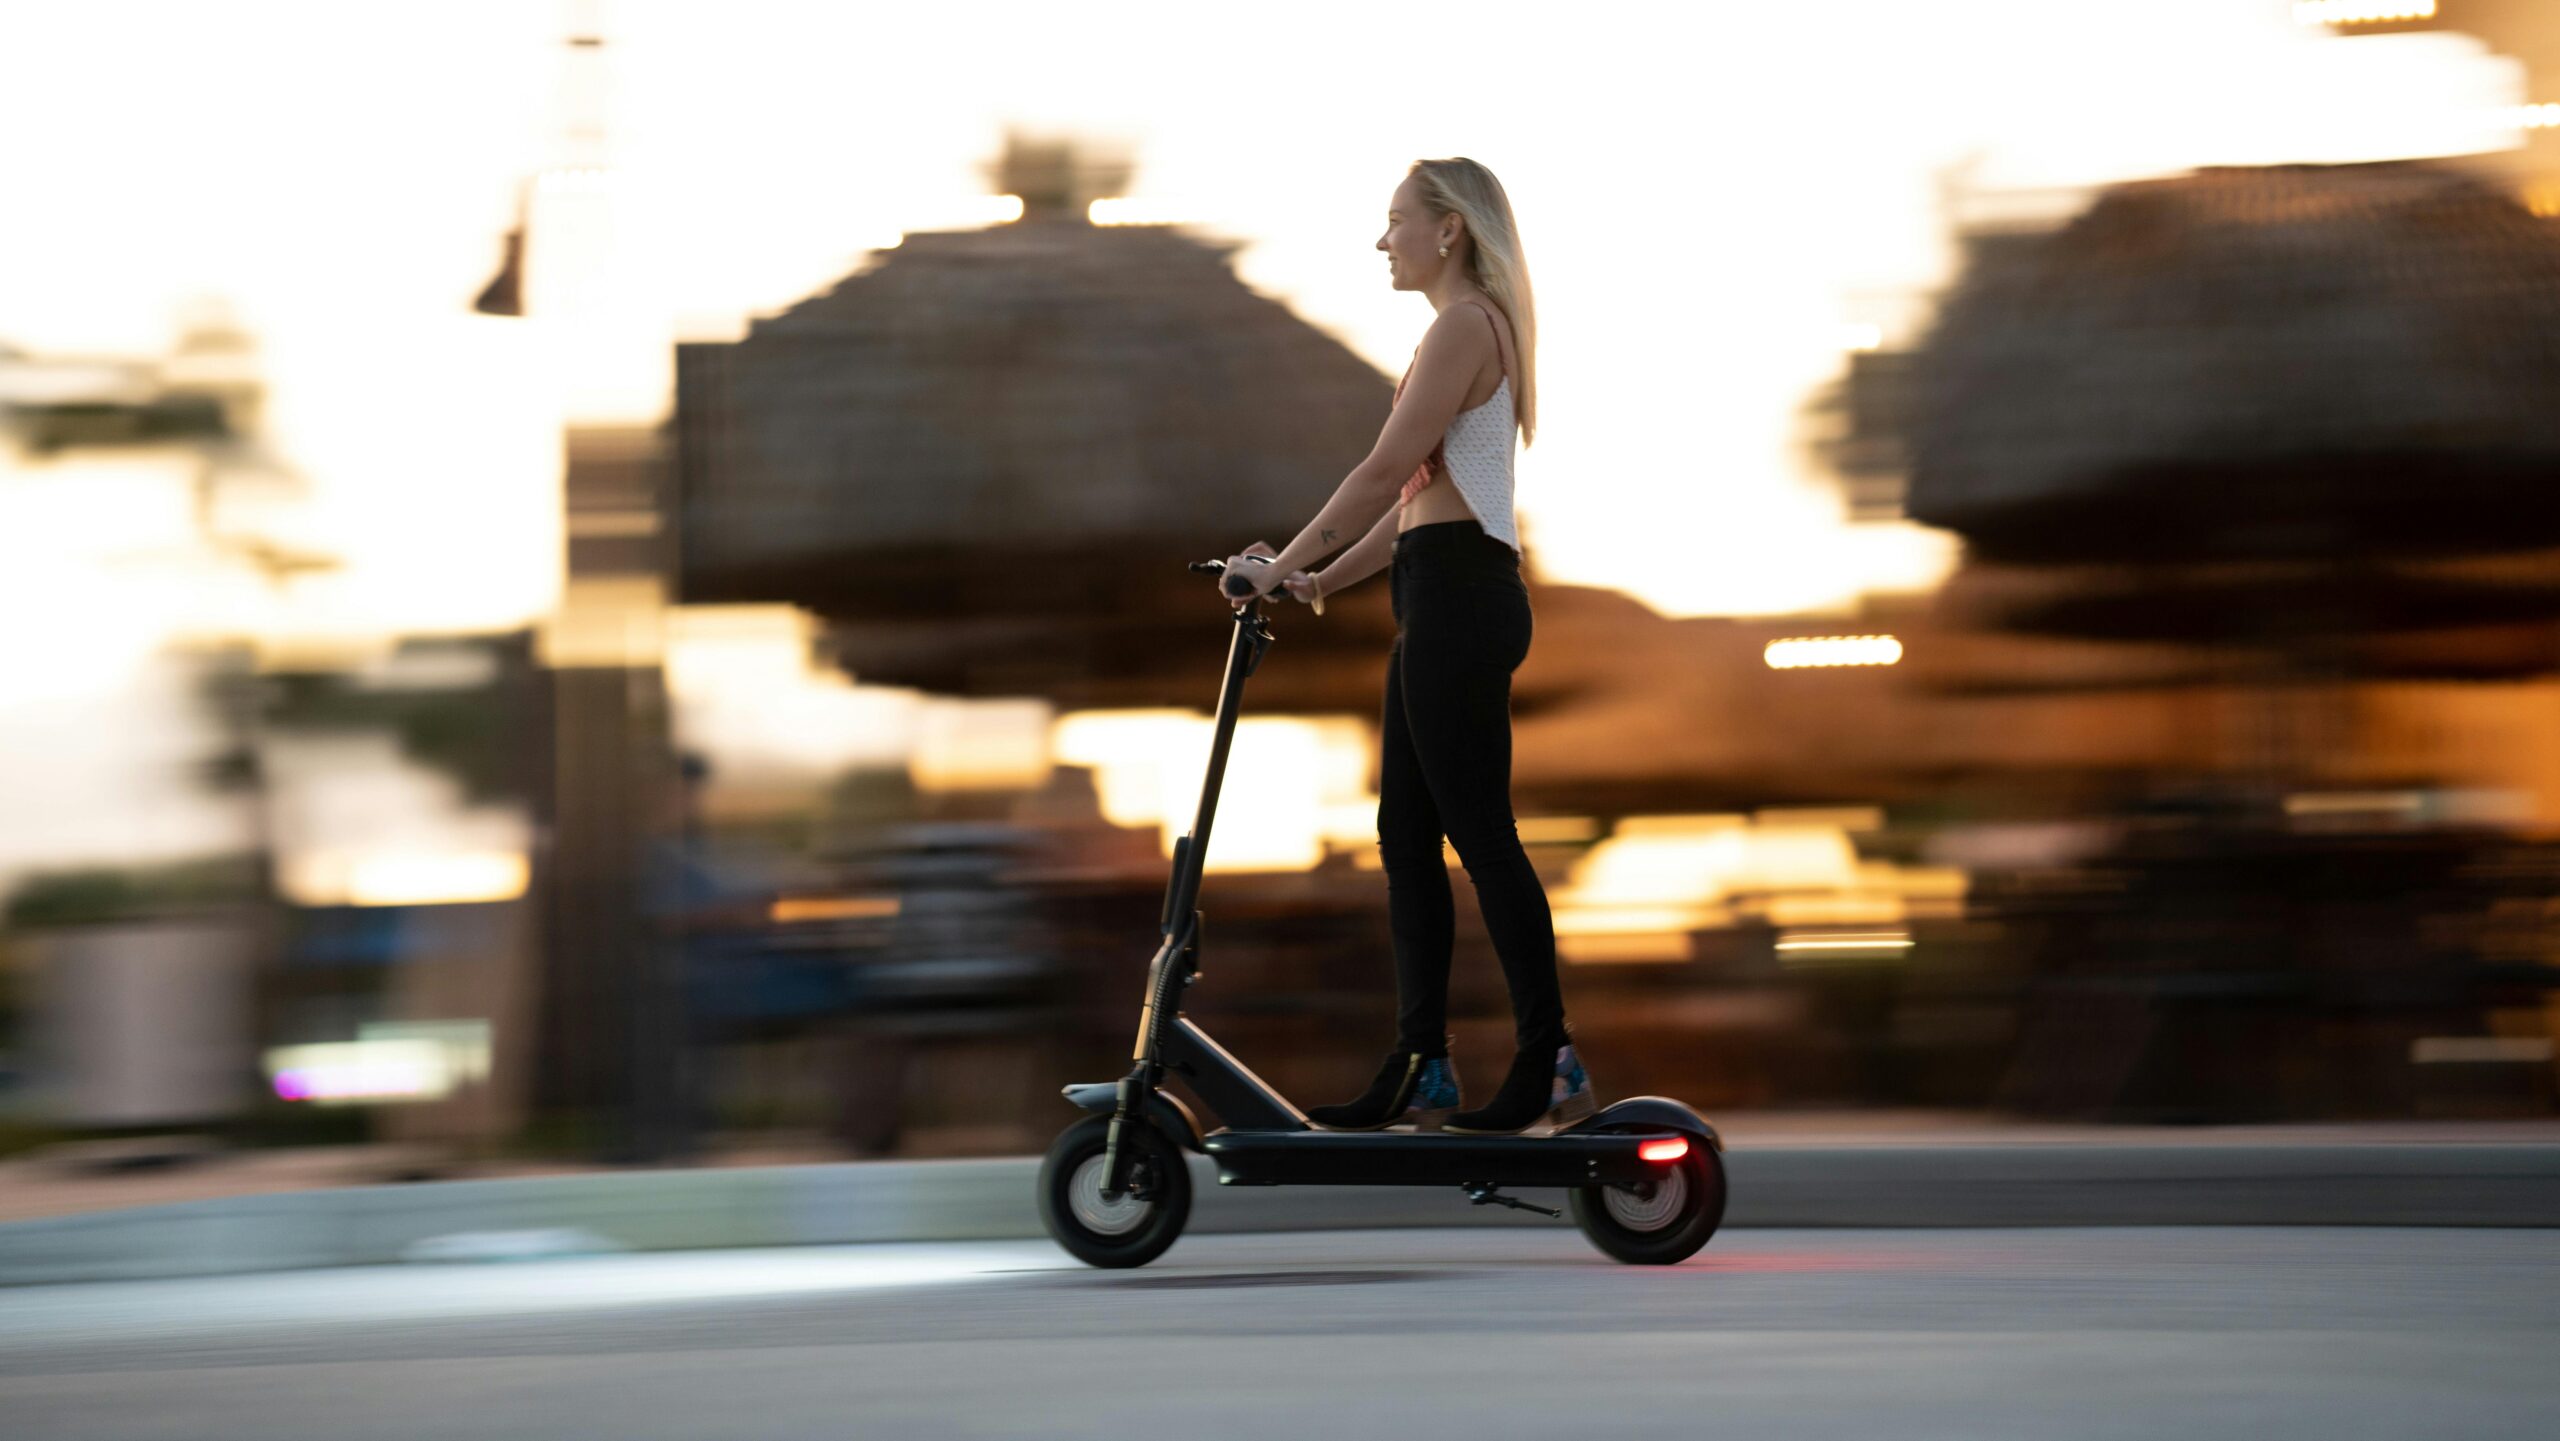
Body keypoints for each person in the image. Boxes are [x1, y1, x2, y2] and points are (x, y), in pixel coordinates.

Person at [1220, 157, 1591, 1136]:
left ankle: (1547, 1058)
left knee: (1481, 835)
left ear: (1449, 232)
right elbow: (1411, 502)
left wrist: (1281, 559)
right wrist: (1309, 581)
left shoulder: (1465, 327)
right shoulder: (1460, 332)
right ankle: (1420, 1062)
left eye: (1395, 222)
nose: (1381, 241)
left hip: (1464, 593)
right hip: (1438, 587)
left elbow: (1383, 468)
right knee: (1404, 836)